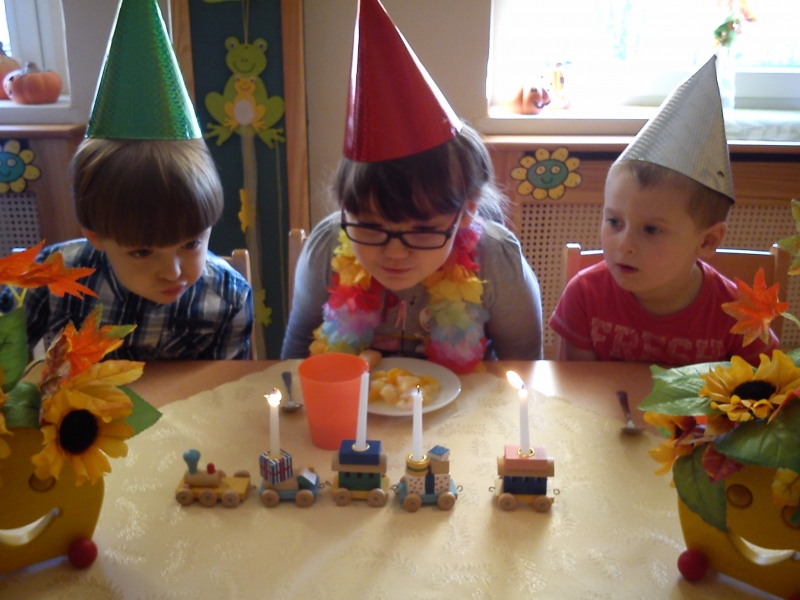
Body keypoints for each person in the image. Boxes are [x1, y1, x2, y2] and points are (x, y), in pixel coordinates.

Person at [281, 0, 542, 373]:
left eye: (421, 230)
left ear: (465, 211)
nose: (395, 253)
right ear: (344, 209)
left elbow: (525, 374)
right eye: (371, 227)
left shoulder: (497, 261)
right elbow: (295, 362)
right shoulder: (326, 248)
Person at [3, 0, 253, 360]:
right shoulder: (49, 277)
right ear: (95, 235)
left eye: (191, 243)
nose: (173, 273)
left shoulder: (228, 299)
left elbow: (229, 389)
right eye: (142, 251)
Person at [550, 57, 777, 366]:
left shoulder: (740, 315)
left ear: (708, 240)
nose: (624, 244)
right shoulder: (584, 296)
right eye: (614, 221)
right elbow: (577, 389)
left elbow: (770, 387)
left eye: (651, 229)